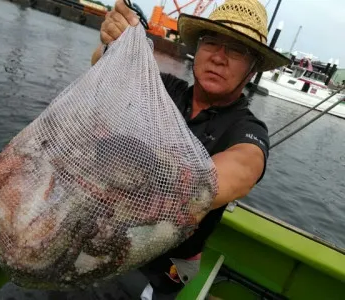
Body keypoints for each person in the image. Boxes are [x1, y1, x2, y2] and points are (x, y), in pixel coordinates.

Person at [90, 0, 290, 297]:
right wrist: (111, 44)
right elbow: (103, 69)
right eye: (211, 43)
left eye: (237, 50)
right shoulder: (164, 89)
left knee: (110, 290)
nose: (219, 58)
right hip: (118, 231)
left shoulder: (246, 130)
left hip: (171, 263)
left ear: (252, 70)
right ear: (197, 50)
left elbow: (242, 167)